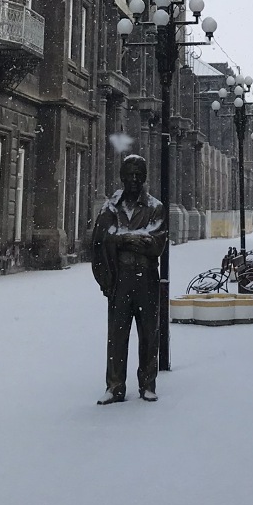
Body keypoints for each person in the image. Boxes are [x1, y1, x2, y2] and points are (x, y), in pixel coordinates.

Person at [90, 154, 168, 405]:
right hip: (120, 279)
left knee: (149, 333)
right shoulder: (110, 208)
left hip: (146, 279)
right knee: (117, 334)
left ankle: (148, 384)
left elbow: (155, 243)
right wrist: (125, 239)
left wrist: (122, 239)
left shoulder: (155, 207)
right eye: (130, 175)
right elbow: (100, 240)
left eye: (138, 175)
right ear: (122, 177)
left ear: (144, 178)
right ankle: (115, 386)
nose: (134, 179)